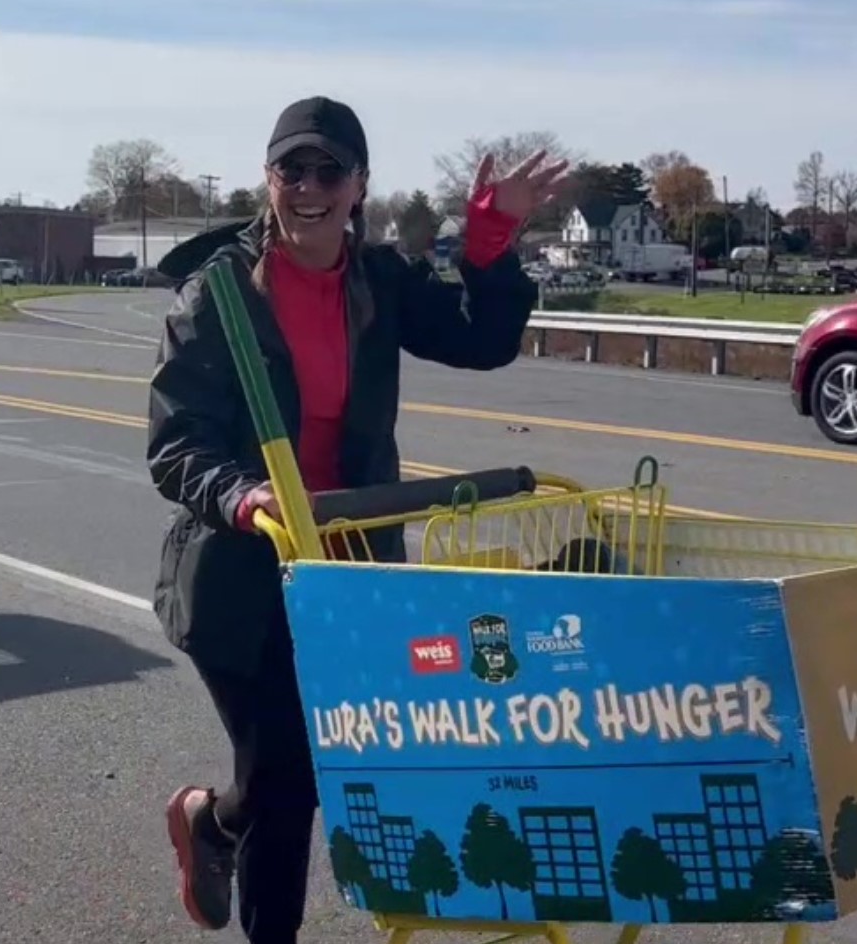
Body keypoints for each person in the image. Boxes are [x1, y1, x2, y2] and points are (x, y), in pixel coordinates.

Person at [146, 96, 567, 943]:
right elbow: (176, 441)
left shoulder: (377, 280)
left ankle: (211, 822)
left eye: (327, 170)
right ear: (267, 181)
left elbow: (480, 341)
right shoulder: (219, 293)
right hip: (243, 569)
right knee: (290, 781)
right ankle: (238, 857)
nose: (308, 188)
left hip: (350, 569)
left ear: (359, 185)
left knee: (300, 773)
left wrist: (489, 246)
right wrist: (241, 496)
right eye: (290, 170)